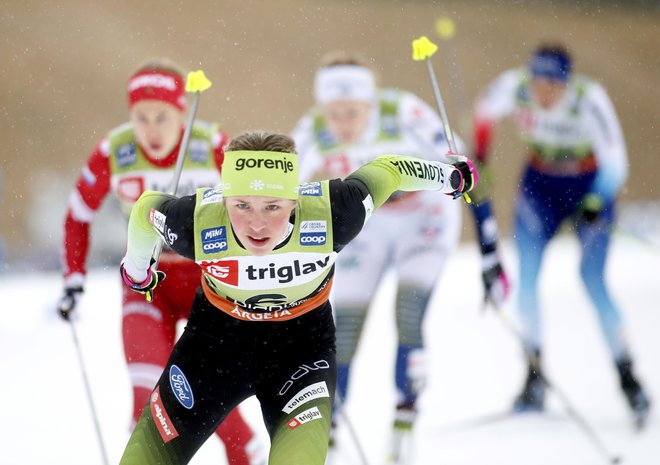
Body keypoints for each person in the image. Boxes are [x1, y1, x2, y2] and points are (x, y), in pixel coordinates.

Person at [115, 130, 477, 464]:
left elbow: (390, 170)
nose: (257, 224)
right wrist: (137, 268)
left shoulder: (334, 212)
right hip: (213, 350)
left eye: (272, 206)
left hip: (300, 353)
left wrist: (448, 177)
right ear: (224, 201)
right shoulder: (196, 220)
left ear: (295, 199)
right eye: (242, 206)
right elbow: (146, 208)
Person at [290, 51, 509, 461]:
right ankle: (329, 426)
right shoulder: (314, 127)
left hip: (424, 219)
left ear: (370, 103)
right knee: (345, 330)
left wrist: (489, 252)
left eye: (352, 112)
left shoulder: (402, 111)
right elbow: (279, 189)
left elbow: (469, 173)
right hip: (370, 226)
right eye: (334, 113)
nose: (342, 124)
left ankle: (404, 417)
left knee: (408, 314)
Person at [57, 59, 263, 463]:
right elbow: (77, 216)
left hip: (210, 285)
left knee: (207, 399)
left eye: (162, 117)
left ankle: (248, 452)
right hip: (145, 285)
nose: (152, 129)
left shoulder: (214, 145)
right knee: (146, 402)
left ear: (182, 113)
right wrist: (73, 279)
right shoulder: (114, 151)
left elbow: (264, 204)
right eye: (141, 118)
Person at [472, 43, 651, 427]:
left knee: (592, 281)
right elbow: (484, 112)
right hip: (540, 189)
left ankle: (627, 377)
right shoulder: (513, 87)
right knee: (528, 279)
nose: (544, 93)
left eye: (554, 84)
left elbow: (616, 160)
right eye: (539, 82)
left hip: (587, 186)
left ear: (567, 83)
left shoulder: (589, 98)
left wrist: (595, 202)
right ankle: (533, 377)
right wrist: (480, 158)